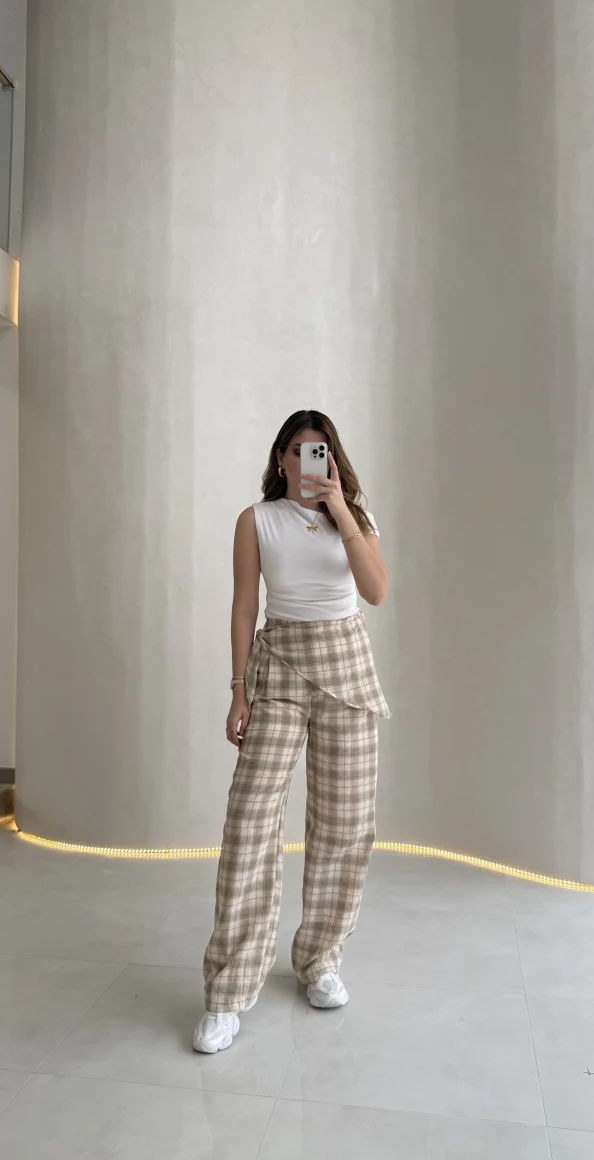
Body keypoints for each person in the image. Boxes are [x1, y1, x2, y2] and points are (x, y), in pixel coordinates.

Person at [193, 409, 392, 1054]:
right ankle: (227, 992)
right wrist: (237, 689)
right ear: (281, 458)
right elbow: (243, 606)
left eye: (321, 450)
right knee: (249, 819)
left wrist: (341, 511)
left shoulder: (355, 516)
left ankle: (320, 959)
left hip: (347, 670)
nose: (310, 461)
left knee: (344, 822)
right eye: (299, 450)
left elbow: (376, 591)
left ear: (333, 458)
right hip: (277, 663)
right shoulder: (256, 519)